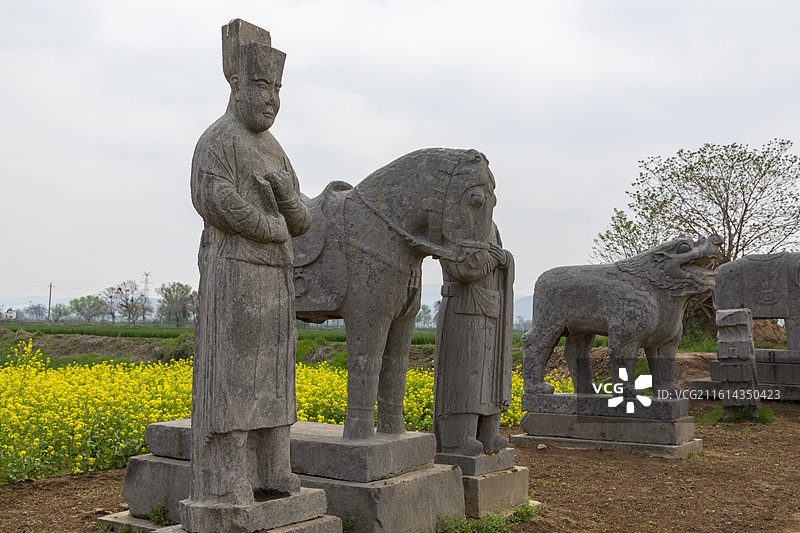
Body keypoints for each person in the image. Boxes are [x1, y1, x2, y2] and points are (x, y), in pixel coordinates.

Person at [186, 21, 311, 515]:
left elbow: (302, 216)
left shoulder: (276, 149)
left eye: (278, 88)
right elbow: (215, 199)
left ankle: (274, 466)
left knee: (277, 378)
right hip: (235, 273)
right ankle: (229, 476)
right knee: (235, 380)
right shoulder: (217, 140)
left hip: (276, 281)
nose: (272, 98)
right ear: (237, 86)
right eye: (262, 86)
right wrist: (269, 225)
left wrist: (286, 203)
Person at [433, 226, 514, 455]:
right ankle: (459, 438)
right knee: (467, 376)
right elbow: (461, 271)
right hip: (464, 309)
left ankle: (488, 434)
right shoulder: (455, 224)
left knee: (491, 373)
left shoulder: (493, 227)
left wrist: (505, 259)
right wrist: (492, 262)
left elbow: (499, 255)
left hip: (491, 309)